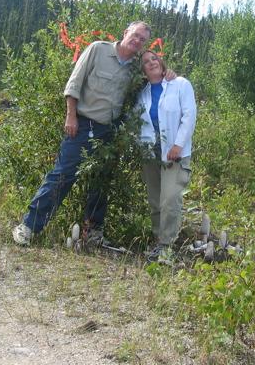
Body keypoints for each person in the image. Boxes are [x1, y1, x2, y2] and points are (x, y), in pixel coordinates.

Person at [12, 21, 160, 248]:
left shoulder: (135, 66)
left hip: (110, 131)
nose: (138, 41)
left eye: (143, 39)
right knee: (62, 176)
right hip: (81, 126)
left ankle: (92, 233)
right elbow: (74, 83)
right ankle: (29, 227)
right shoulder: (97, 50)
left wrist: (168, 72)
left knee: (100, 183)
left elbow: (153, 75)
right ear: (125, 33)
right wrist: (70, 116)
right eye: (135, 35)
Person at [137, 50, 197, 264]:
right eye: (145, 61)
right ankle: (157, 242)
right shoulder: (141, 92)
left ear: (161, 62)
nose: (151, 62)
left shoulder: (179, 84)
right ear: (142, 69)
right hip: (149, 152)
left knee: (170, 199)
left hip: (175, 154)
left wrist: (178, 145)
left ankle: (166, 247)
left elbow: (189, 116)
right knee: (155, 201)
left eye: (154, 58)